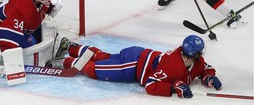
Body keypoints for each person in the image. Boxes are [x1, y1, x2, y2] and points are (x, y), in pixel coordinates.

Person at [45, 35, 222, 98]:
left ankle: (71, 46)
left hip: (138, 56)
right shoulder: (172, 65)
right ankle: (66, 60)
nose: (202, 57)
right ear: (195, 53)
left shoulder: (196, 62)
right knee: (94, 69)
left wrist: (209, 77)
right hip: (132, 65)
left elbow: (205, 68)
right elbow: (151, 85)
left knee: (103, 57)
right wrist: (173, 88)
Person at [0, 0, 63, 76]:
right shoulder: (23, 10)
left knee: (32, 34)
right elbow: (6, 35)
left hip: (5, 17)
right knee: (30, 46)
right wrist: (12, 66)